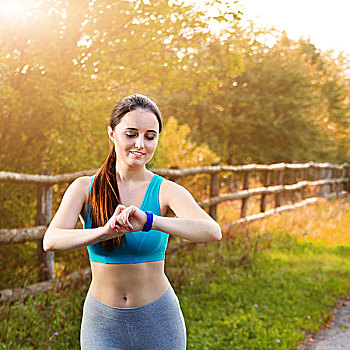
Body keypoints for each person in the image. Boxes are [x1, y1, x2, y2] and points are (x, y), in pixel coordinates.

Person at [43, 93, 222, 350]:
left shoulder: (165, 190)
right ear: (112, 134)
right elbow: (52, 240)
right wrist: (104, 232)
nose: (140, 144)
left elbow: (211, 231)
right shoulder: (84, 188)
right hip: (102, 324)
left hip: (158, 319)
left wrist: (150, 221)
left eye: (150, 136)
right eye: (131, 134)